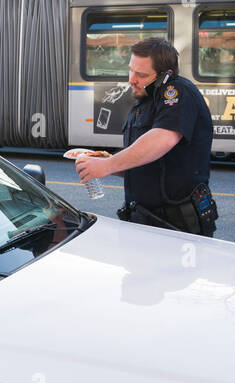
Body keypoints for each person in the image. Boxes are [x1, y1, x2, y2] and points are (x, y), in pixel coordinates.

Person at [76, 37, 218, 237]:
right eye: (131, 70)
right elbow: (151, 163)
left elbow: (162, 139)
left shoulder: (177, 91)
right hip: (144, 221)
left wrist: (106, 166)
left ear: (165, 75)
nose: (131, 79)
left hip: (176, 225)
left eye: (141, 74)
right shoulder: (145, 100)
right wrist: (112, 163)